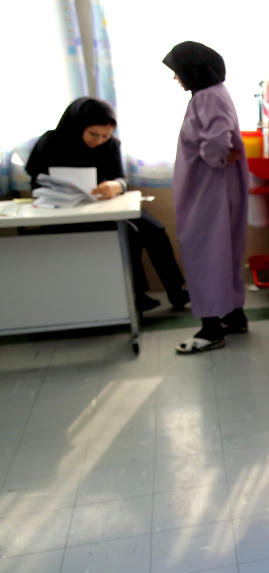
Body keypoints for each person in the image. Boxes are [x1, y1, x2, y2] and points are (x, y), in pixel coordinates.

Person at [25, 97, 189, 312]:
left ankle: (176, 290)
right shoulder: (51, 142)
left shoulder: (110, 145)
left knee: (154, 229)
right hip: (69, 212)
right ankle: (136, 295)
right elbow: (36, 180)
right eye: (94, 134)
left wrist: (115, 186)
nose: (100, 140)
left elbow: (121, 179)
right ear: (78, 126)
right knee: (129, 233)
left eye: (106, 135)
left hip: (106, 205)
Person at [162, 41, 249, 354]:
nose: (176, 78)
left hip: (208, 188)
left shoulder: (208, 97)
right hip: (214, 187)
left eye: (177, 71)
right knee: (222, 251)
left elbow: (216, 138)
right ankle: (234, 315)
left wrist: (214, 158)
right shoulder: (211, 94)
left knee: (204, 251)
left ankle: (211, 328)